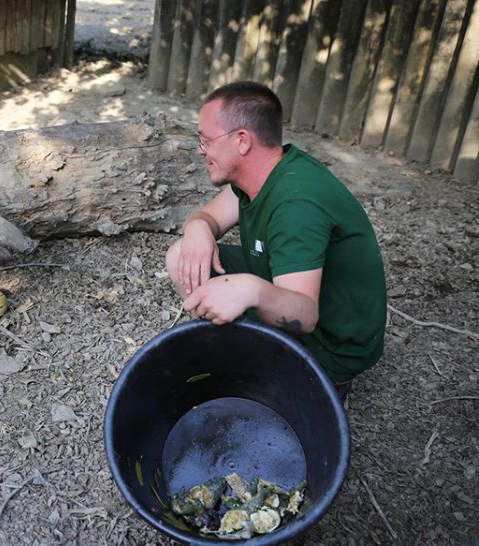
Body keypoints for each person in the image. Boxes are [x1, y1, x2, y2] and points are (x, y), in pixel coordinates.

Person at [164, 81, 386, 399]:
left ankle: (315, 382)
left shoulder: (298, 204)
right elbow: (208, 216)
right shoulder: (263, 172)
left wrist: (250, 289)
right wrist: (198, 227)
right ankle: (241, 351)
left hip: (332, 341)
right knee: (180, 255)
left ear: (242, 140)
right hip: (286, 286)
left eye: (206, 140)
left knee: (261, 402)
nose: (201, 150)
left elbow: (304, 317)